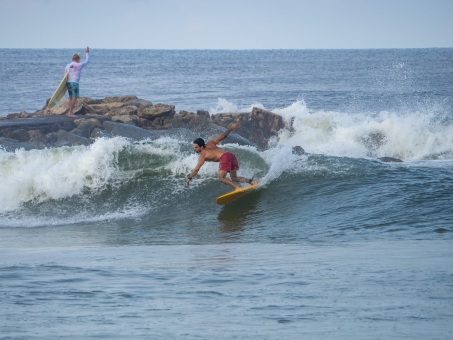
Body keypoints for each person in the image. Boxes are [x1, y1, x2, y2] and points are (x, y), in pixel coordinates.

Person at [186, 122, 257, 190]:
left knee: (221, 178)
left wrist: (190, 177)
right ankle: (252, 182)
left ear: (201, 147)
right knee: (234, 178)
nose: (194, 149)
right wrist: (231, 128)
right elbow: (223, 136)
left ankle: (237, 188)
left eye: (196, 147)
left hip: (224, 157)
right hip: (231, 155)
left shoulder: (203, 155)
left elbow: (196, 169)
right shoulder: (211, 143)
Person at [65, 46, 90, 117]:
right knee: (74, 97)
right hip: (74, 83)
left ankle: (69, 112)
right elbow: (87, 61)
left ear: (72, 59)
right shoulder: (79, 65)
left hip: (68, 83)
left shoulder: (68, 65)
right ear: (78, 59)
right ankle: (70, 113)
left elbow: (65, 76)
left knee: (70, 97)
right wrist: (87, 52)